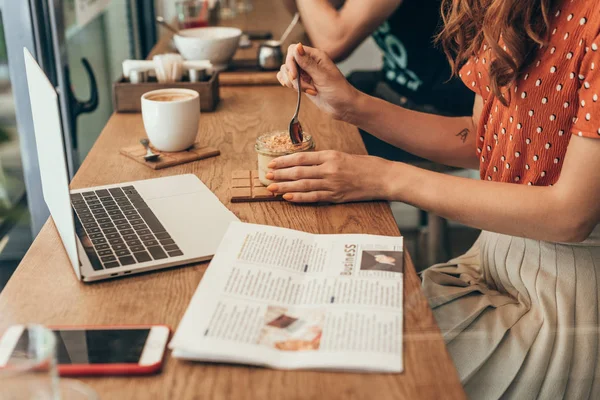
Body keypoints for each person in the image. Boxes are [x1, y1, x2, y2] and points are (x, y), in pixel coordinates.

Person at [273, 0, 600, 397]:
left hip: (564, 302)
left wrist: (386, 177)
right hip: (493, 261)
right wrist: (353, 105)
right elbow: (482, 137)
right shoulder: (507, 7)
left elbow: (570, 215)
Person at [282, 0, 475, 162]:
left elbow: (333, 41)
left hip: (442, 111)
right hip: (395, 85)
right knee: (301, 116)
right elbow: (302, 11)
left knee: (319, 145)